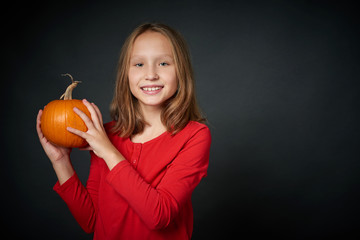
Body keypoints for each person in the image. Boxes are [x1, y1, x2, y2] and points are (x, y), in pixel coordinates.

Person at [36, 23, 211, 240]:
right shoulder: (107, 135)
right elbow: (91, 220)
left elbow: (158, 215)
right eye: (139, 64)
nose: (151, 74)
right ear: (125, 74)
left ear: (181, 70)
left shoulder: (194, 136)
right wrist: (60, 162)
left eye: (163, 63)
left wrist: (107, 151)